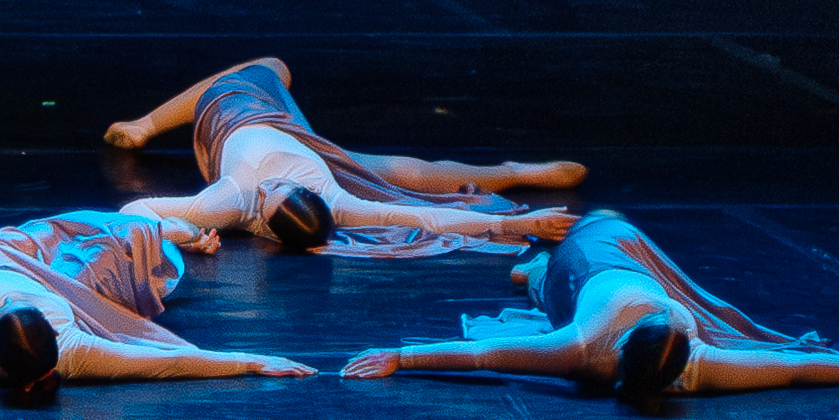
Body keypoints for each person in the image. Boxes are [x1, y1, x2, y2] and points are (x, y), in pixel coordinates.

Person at [342, 209, 839, 397]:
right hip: (598, 252)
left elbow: (794, 369)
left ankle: (538, 271)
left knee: (554, 296)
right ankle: (541, 267)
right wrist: (400, 356)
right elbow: (485, 357)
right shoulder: (581, 347)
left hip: (624, 273)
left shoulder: (693, 363)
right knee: (566, 267)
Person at [107, 56, 582, 256]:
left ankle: (145, 123)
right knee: (398, 176)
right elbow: (422, 217)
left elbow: (134, 211)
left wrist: (183, 233)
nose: (272, 184)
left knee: (264, 68)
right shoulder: (334, 201)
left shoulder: (230, 200)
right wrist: (517, 223)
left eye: (274, 191)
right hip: (295, 138)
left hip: (232, 112)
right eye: (282, 188)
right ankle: (510, 171)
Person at [0, 211, 311, 396]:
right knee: (117, 251)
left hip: (4, 259)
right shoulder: (73, 351)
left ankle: (163, 228)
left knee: (88, 243)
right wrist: (249, 361)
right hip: (40, 274)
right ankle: (157, 228)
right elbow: (167, 363)